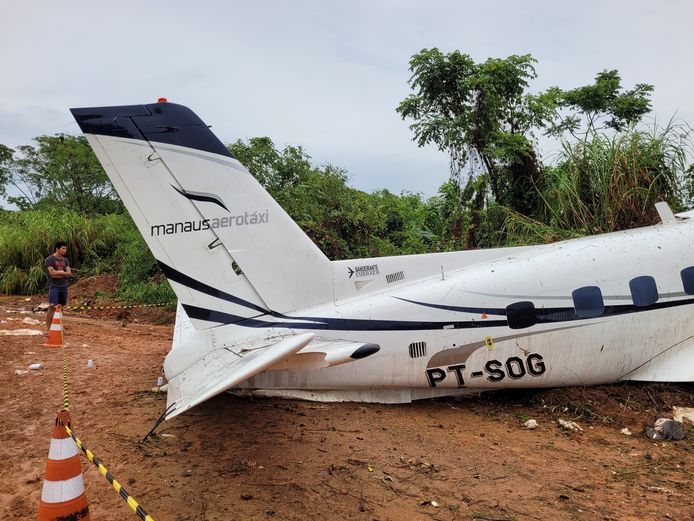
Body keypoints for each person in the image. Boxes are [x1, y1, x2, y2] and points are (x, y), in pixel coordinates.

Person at [45, 241, 73, 333]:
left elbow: (69, 274)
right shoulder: (49, 260)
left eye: (65, 248)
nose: (65, 250)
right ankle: (49, 329)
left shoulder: (65, 260)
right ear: (57, 249)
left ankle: (60, 328)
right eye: (63, 248)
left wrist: (59, 273)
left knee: (60, 307)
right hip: (54, 286)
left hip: (64, 286)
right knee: (52, 306)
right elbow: (52, 274)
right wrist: (64, 274)